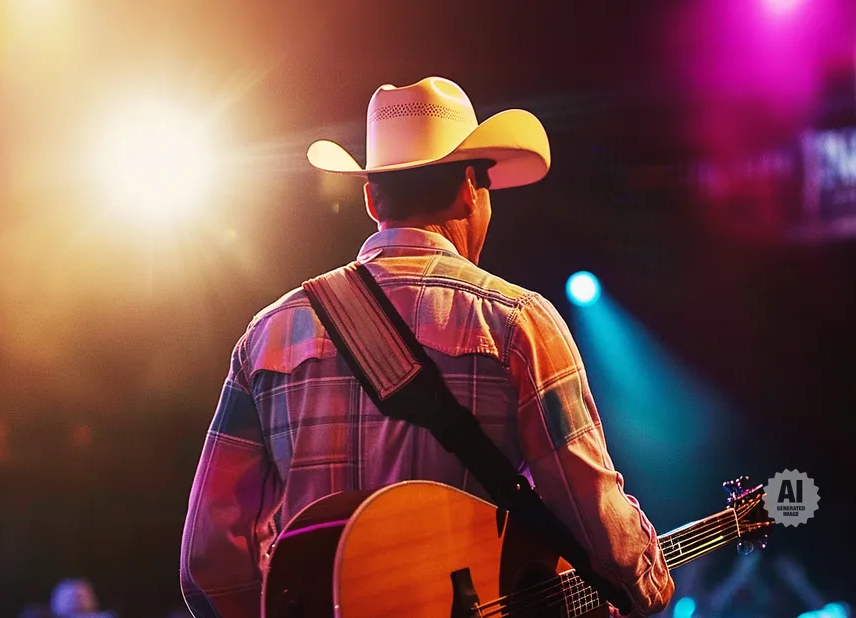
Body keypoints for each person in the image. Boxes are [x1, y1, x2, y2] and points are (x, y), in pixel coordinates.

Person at [180, 76, 675, 618]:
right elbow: (592, 517)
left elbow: (208, 553)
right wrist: (647, 582)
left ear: (372, 199)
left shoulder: (269, 334)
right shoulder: (516, 321)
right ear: (470, 188)